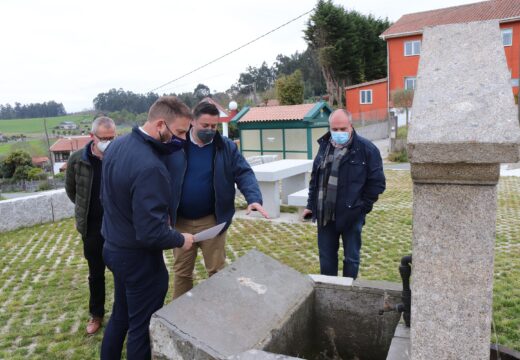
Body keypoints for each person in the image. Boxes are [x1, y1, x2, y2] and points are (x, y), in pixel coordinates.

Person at [100, 96, 194, 360]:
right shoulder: (150, 166)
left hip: (114, 248)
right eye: (179, 133)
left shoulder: (117, 147)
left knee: (120, 316)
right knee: (141, 328)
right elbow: (150, 232)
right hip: (139, 260)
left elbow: (110, 198)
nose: (183, 140)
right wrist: (180, 239)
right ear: (160, 124)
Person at [166, 101, 268, 299]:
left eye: (214, 126)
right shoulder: (176, 145)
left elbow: (244, 173)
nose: (210, 130)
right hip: (180, 222)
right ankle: (179, 317)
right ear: (192, 122)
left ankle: (218, 310)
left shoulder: (225, 147)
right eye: (205, 125)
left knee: (217, 271)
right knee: (182, 272)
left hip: (212, 220)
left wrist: (253, 198)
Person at [303, 109, 385, 279]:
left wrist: (362, 208)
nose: (338, 133)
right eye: (335, 129)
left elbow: (377, 183)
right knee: (326, 261)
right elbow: (315, 179)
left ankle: (349, 293)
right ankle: (329, 292)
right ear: (330, 128)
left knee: (351, 259)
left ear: (351, 127)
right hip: (325, 216)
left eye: (343, 129)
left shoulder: (367, 149)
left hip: (352, 215)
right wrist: (310, 205)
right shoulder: (324, 146)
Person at [65, 116, 116, 335]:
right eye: (103, 138)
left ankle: (126, 312)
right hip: (92, 227)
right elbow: (72, 191)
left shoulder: (120, 155)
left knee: (123, 271)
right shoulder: (77, 159)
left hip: (117, 226)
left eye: (111, 138)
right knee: (96, 274)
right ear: (92, 136)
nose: (107, 142)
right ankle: (96, 315)